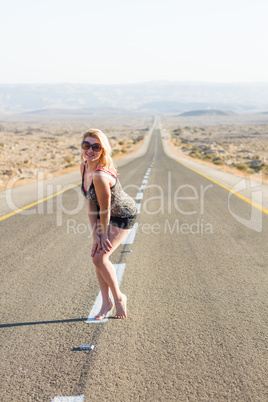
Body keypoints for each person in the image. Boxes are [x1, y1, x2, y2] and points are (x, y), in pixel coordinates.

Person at [80, 128, 137, 320]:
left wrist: (103, 235)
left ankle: (118, 298)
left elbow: (104, 209)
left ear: (103, 150)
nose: (90, 150)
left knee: (99, 258)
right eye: (86, 145)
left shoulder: (100, 175)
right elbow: (91, 204)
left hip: (122, 214)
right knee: (97, 256)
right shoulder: (85, 167)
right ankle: (106, 303)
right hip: (106, 215)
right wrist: (95, 235)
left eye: (96, 147)